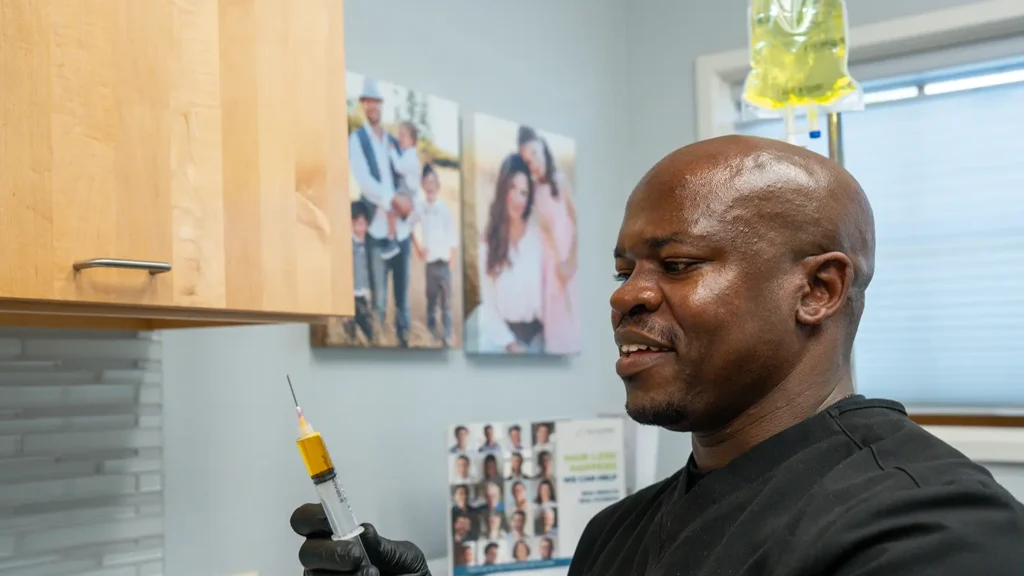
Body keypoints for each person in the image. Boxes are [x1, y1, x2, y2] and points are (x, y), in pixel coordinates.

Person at [290, 135, 1024, 575]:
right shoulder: (616, 535)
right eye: (623, 270)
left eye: (676, 265)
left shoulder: (928, 532)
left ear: (817, 290)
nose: (626, 296)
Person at [348, 78, 415, 348]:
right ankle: (377, 346)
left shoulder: (393, 141)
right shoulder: (357, 139)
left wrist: (408, 202)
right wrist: (394, 201)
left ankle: (404, 344)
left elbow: (407, 175)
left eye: (376, 101)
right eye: (367, 101)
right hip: (376, 231)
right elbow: (364, 181)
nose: (372, 106)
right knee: (378, 300)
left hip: (401, 234)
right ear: (363, 105)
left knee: (403, 301)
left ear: (381, 104)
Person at [465, 154, 546, 353]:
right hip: (503, 340)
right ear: (502, 188)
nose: (517, 199)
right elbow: (490, 305)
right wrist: (512, 346)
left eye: (523, 192)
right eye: (512, 188)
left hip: (540, 337)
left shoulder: (538, 237)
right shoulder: (489, 242)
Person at [518, 126, 581, 355]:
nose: (533, 163)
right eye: (527, 161)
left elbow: (578, 224)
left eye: (534, 153)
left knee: (572, 321)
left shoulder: (560, 182)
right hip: (550, 268)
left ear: (543, 148)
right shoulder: (532, 192)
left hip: (569, 265)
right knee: (554, 326)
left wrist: (570, 263)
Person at [409, 163, 457, 347]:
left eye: (433, 181)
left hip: (444, 262)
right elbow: (410, 226)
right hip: (430, 264)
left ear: (438, 185)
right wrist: (418, 248)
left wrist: (451, 261)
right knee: (431, 301)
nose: (430, 185)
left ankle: (447, 335)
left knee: (447, 303)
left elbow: (452, 238)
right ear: (423, 185)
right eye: (427, 182)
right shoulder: (420, 207)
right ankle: (430, 333)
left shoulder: (444, 209)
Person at [380, 121, 422, 260]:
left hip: (408, 195)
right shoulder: (407, 154)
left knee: (388, 199)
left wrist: (392, 151)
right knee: (392, 213)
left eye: (403, 135)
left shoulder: (410, 156)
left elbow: (398, 167)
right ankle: (392, 240)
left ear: (412, 141)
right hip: (405, 193)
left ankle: (393, 240)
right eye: (399, 135)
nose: (399, 138)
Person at [343, 201, 374, 343]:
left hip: (364, 294)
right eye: (356, 224)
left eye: (363, 224)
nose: (360, 228)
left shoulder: (370, 245)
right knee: (350, 334)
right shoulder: (347, 244)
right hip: (350, 294)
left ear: (367, 224)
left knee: (368, 332)